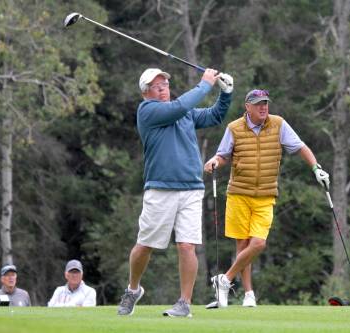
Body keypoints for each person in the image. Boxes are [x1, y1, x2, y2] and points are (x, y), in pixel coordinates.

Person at [116, 67, 233, 318]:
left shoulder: (185, 113)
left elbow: (215, 116)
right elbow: (179, 107)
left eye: (165, 85)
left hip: (191, 188)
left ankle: (184, 303)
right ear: (146, 92)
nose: (163, 89)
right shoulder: (147, 111)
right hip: (160, 189)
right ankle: (133, 289)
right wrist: (205, 84)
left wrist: (226, 93)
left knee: (186, 246)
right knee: (145, 245)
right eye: (157, 87)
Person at [204, 89, 330, 308]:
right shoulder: (234, 128)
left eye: (265, 103)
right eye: (258, 104)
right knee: (242, 245)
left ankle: (225, 279)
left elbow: (300, 146)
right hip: (238, 194)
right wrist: (214, 161)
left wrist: (316, 167)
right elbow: (223, 155)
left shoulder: (278, 124)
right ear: (247, 107)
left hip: (265, 195)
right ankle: (248, 295)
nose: (263, 107)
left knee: (258, 243)